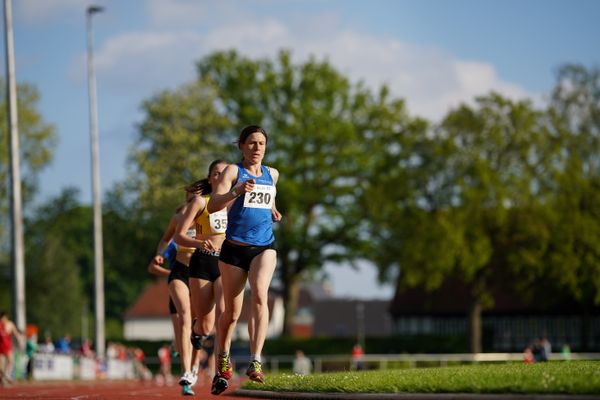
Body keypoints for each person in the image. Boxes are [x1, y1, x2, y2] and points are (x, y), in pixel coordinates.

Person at [207, 125, 281, 395]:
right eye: (251, 143)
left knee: (260, 294)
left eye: (261, 143)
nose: (257, 148)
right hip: (234, 249)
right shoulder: (232, 172)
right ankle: (223, 357)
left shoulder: (272, 174)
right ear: (241, 146)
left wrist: (273, 209)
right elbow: (213, 205)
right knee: (231, 313)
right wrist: (236, 192)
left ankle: (255, 360)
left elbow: (266, 198)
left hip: (264, 247)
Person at [150, 187, 209, 397]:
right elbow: (165, 239)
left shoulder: (210, 215)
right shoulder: (178, 217)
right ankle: (185, 372)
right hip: (180, 272)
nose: (195, 199)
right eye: (191, 196)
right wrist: (159, 254)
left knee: (199, 324)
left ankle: (193, 366)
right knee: (185, 318)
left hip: (201, 272)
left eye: (199, 196)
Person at [173, 159, 228, 382]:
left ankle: (222, 369)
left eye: (224, 173)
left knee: (226, 314)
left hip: (226, 263)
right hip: (203, 263)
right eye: (216, 173)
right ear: (209, 178)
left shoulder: (235, 202)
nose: (220, 177)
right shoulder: (199, 202)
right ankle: (196, 333)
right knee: (205, 326)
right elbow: (179, 235)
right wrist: (198, 243)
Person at [0, 311, 23, 386]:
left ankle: (7, 375)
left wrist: (19, 343)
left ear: (6, 317)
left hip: (8, 346)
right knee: (1, 366)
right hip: (1, 348)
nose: (3, 319)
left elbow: (16, 334)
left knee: (11, 361)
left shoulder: (10, 324)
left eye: (4, 318)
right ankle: (3, 380)